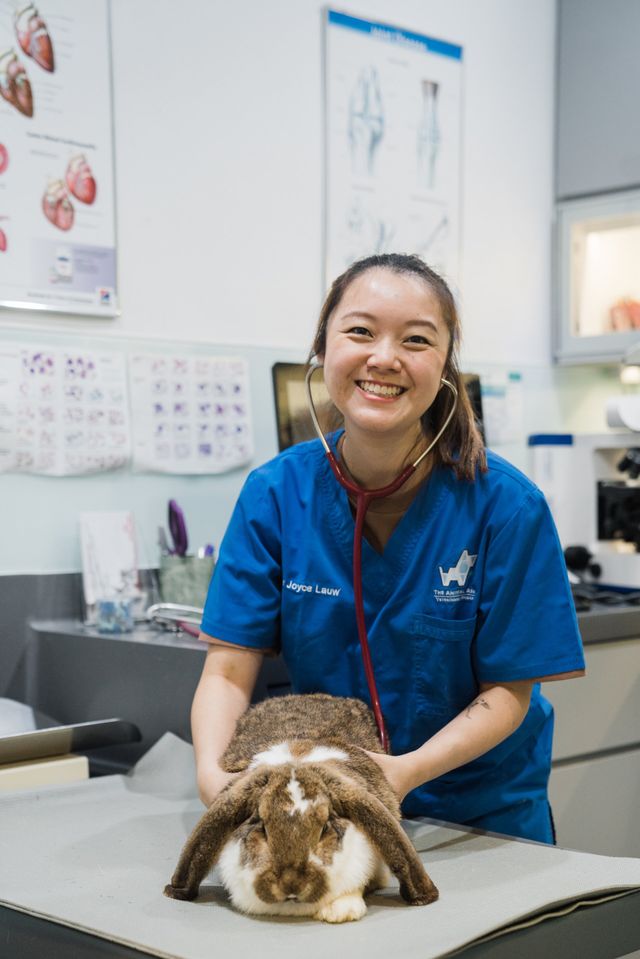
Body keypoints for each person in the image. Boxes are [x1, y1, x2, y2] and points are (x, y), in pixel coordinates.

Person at [192, 253, 585, 844]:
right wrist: (215, 781)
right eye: (360, 331)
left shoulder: (506, 506)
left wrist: (403, 774)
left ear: (444, 366)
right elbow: (226, 671)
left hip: (479, 821)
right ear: (322, 349)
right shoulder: (275, 494)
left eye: (417, 339)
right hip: (331, 820)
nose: (384, 357)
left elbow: (509, 693)